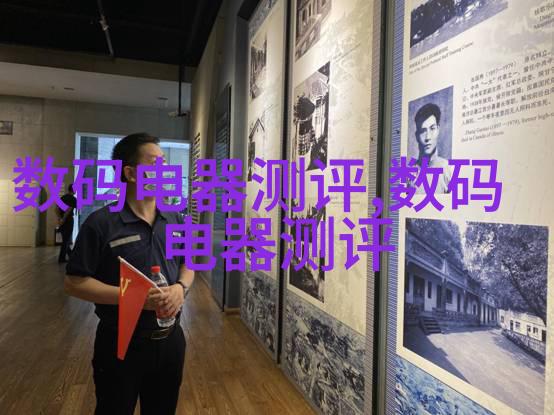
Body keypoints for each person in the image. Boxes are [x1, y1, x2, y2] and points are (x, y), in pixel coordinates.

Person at [64, 133, 194, 415]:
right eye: (155, 163)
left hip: (170, 340)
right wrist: (133, 297)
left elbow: (189, 263)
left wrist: (180, 288)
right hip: (120, 344)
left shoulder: (175, 218)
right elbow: (74, 283)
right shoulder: (100, 223)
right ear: (131, 173)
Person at [410, 102, 452, 194]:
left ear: (438, 129)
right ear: (417, 136)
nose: (428, 137)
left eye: (432, 128)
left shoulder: (448, 169)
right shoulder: (409, 174)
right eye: (423, 131)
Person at [56, 183, 77, 263]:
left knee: (65, 239)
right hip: (68, 220)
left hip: (62, 220)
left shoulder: (63, 197)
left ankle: (71, 255)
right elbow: (69, 210)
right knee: (66, 240)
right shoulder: (73, 199)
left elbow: (56, 209)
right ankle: (61, 258)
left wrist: (60, 218)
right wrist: (64, 219)